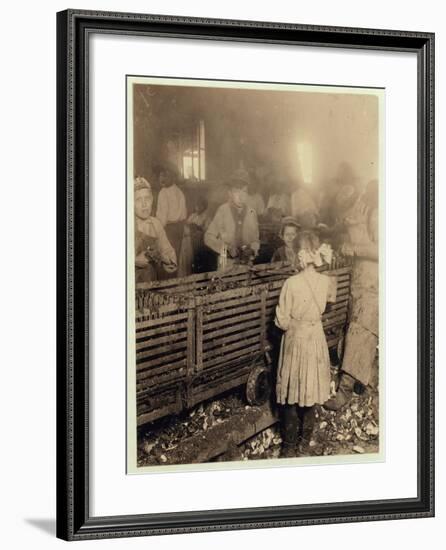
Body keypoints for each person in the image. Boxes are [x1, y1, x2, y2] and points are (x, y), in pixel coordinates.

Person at [274, 231, 336, 457]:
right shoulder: (325, 281)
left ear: (301, 255)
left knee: (291, 390)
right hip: (315, 338)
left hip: (296, 338)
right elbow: (328, 306)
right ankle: (304, 444)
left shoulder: (291, 283)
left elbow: (281, 320)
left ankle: (289, 447)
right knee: (311, 391)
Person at [324, 179, 379, 410]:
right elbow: (350, 228)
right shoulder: (361, 209)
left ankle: (344, 392)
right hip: (360, 280)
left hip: (373, 283)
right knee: (357, 331)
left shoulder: (377, 213)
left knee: (361, 332)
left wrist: (354, 249)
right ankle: (366, 383)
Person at [204, 170, 260, 269]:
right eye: (236, 191)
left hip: (246, 264)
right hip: (226, 263)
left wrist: (252, 249)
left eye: (244, 191)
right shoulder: (223, 211)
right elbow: (208, 237)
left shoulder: (252, 213)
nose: (241, 196)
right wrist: (227, 249)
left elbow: (255, 240)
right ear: (230, 193)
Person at [134, 177, 177, 283]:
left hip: (150, 284)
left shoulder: (156, 224)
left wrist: (165, 259)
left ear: (152, 200)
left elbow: (170, 255)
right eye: (138, 200)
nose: (144, 204)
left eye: (147, 199)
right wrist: (133, 261)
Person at [155, 164, 187, 263]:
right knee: (175, 255)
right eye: (161, 176)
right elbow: (184, 214)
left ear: (173, 177)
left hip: (168, 229)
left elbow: (162, 218)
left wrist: (156, 231)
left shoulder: (163, 193)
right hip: (179, 228)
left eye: (166, 176)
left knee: (167, 257)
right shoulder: (179, 191)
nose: (163, 179)